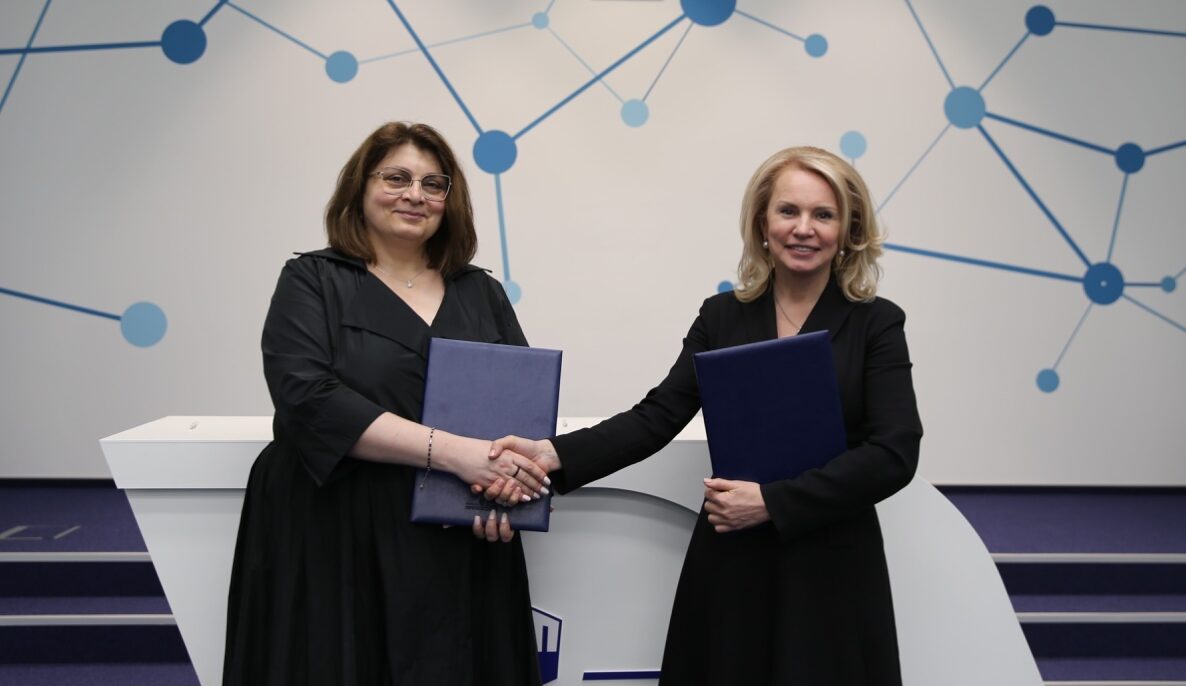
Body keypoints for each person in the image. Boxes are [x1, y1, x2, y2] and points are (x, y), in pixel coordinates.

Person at [487, 146, 923, 685]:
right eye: (788, 211)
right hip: (735, 562)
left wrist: (772, 502)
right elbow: (657, 416)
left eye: (823, 214)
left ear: (848, 230)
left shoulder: (877, 322)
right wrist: (552, 454)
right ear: (762, 223)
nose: (803, 228)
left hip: (831, 563)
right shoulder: (722, 317)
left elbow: (894, 452)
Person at [223, 122, 549, 686]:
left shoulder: (481, 291)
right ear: (360, 187)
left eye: (433, 183)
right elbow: (308, 399)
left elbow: (513, 410)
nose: (415, 195)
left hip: (455, 530)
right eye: (396, 178)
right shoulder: (312, 280)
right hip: (334, 529)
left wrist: (504, 498)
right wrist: (455, 454)